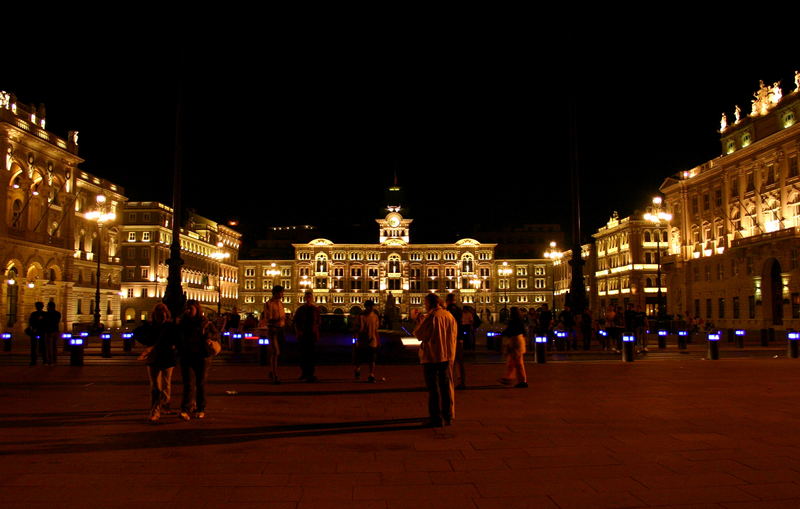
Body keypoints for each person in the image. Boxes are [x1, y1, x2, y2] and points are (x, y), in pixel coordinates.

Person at [413, 293, 458, 428]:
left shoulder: (432, 316)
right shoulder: (449, 315)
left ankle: (436, 417)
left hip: (432, 356)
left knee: (433, 389)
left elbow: (419, 334)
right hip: (446, 356)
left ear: (430, 303)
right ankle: (447, 415)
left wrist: (418, 320)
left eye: (426, 303)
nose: (425, 306)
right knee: (445, 387)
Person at [134, 303, 177, 423]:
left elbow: (176, 339)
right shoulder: (150, 326)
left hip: (167, 357)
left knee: (166, 385)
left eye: (163, 316)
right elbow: (137, 333)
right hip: (154, 358)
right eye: (159, 316)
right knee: (156, 387)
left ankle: (165, 404)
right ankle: (155, 410)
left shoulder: (170, 326)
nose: (161, 318)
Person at [176, 300, 219, 421]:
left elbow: (216, 334)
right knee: (188, 384)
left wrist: (208, 337)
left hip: (202, 356)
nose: (188, 311)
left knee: (200, 384)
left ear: (197, 309)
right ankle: (185, 409)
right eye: (187, 308)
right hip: (187, 355)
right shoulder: (182, 323)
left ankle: (201, 408)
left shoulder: (204, 322)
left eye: (191, 308)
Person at [294, 290, 320, 382]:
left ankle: (311, 374)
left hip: (312, 334)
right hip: (303, 334)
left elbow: (318, 323)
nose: (308, 299)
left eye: (310, 297)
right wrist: (298, 332)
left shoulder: (315, 309)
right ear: (304, 298)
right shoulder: (300, 309)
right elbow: (296, 322)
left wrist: (317, 333)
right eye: (307, 297)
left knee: (312, 355)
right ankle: (304, 373)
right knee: (303, 354)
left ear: (312, 298)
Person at [498, 307, 528, 388]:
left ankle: (522, 381)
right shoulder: (520, 320)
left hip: (515, 341)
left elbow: (510, 331)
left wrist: (501, 334)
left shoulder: (513, 321)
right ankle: (509, 378)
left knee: (518, 363)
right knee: (512, 361)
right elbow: (523, 332)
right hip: (518, 340)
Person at [263, 285, 285, 384]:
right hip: (273, 329)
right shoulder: (269, 304)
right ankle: (274, 375)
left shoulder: (280, 303)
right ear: (276, 293)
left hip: (280, 329)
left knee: (277, 353)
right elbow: (268, 318)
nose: (282, 294)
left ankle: (272, 371)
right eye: (281, 292)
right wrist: (279, 319)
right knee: (275, 352)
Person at [354, 300, 380, 382]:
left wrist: (378, 340)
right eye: (370, 306)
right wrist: (355, 340)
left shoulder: (375, 316)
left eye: (372, 306)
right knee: (359, 358)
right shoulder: (360, 316)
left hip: (372, 341)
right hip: (362, 340)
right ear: (366, 307)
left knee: (372, 359)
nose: (372, 308)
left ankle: (371, 374)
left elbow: (376, 329)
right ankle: (357, 369)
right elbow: (356, 329)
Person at [445, 293, 466, 390]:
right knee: (459, 361)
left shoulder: (448, 310)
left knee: (449, 360)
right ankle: (461, 381)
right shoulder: (459, 310)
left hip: (451, 338)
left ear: (447, 300)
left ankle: (450, 381)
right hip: (459, 337)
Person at [27, 302, 47, 366]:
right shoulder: (44, 314)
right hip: (38, 331)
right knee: (38, 346)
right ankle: (42, 360)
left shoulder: (34, 314)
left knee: (38, 346)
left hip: (38, 331)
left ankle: (36, 360)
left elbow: (30, 322)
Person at [43, 301, 61, 365]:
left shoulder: (47, 314)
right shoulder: (58, 313)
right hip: (55, 330)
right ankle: (54, 359)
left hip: (49, 331)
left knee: (49, 346)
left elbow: (45, 322)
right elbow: (57, 321)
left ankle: (50, 360)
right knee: (54, 346)